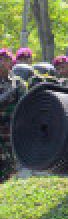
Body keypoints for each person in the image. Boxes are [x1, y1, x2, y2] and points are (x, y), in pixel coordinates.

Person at [0, 48, 28, 182]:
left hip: (10, 131)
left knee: (10, 165)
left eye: (5, 60)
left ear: (11, 63)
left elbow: (24, 107)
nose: (1, 63)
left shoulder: (18, 83)